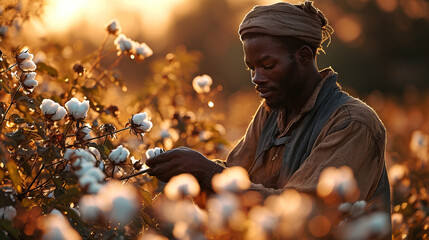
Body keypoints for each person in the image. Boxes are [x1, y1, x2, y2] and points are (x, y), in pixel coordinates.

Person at [147, 1, 390, 215]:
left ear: (304, 56)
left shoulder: (353, 123)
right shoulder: (270, 114)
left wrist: (206, 171)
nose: (256, 78)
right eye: (252, 68)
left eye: (268, 65)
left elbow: (304, 215)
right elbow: (233, 180)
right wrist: (192, 173)